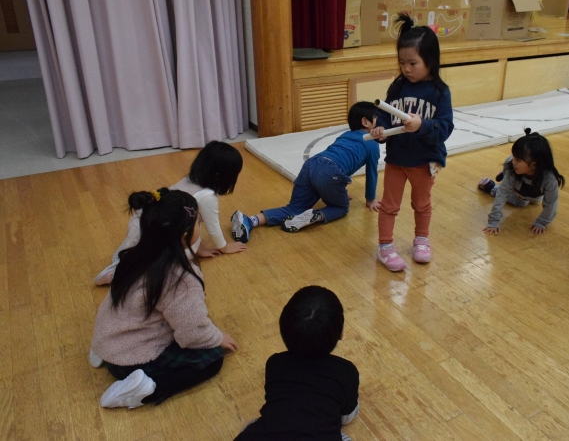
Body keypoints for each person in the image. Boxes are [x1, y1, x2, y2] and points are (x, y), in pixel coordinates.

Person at [90, 188, 239, 408]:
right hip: (131, 363)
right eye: (198, 222)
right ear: (184, 236)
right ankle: (143, 391)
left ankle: (108, 354)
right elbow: (192, 332)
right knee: (212, 360)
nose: (200, 225)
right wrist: (217, 338)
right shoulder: (180, 279)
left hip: (109, 342)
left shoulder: (134, 255)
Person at [369, 12, 454, 272]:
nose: (406, 69)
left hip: (425, 161)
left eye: (413, 63)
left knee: (422, 203)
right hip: (397, 159)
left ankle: (422, 240)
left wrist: (422, 125)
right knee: (389, 205)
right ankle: (385, 246)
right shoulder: (398, 87)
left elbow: (445, 128)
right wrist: (380, 128)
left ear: (430, 60)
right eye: (402, 62)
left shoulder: (440, 92)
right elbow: (386, 114)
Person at [94, 141, 245, 285]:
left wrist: (199, 248)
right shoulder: (208, 196)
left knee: (144, 249)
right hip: (159, 233)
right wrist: (224, 247)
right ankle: (125, 272)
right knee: (172, 259)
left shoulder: (190, 180)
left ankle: (125, 264)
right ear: (223, 176)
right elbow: (213, 228)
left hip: (142, 220)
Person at [231, 101, 381, 242]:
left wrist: (337, 191)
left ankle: (250, 220)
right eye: (376, 118)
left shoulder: (345, 135)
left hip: (311, 164)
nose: (379, 122)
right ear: (365, 122)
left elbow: (343, 158)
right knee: (341, 208)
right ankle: (315, 216)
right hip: (329, 174)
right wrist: (370, 200)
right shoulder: (372, 144)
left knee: (294, 208)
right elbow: (372, 173)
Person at [235, 286, 359, 441]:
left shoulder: (275, 364)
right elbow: (347, 418)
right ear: (341, 334)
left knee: (253, 425)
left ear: (283, 331)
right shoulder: (346, 371)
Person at [478, 128, 565, 236]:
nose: (514, 162)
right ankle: (492, 185)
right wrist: (493, 221)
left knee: (535, 201)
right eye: (514, 157)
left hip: (533, 190)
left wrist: (542, 222)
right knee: (521, 203)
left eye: (518, 160)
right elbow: (502, 194)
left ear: (534, 165)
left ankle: (505, 177)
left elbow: (551, 203)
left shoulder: (550, 179)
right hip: (517, 183)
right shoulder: (513, 168)